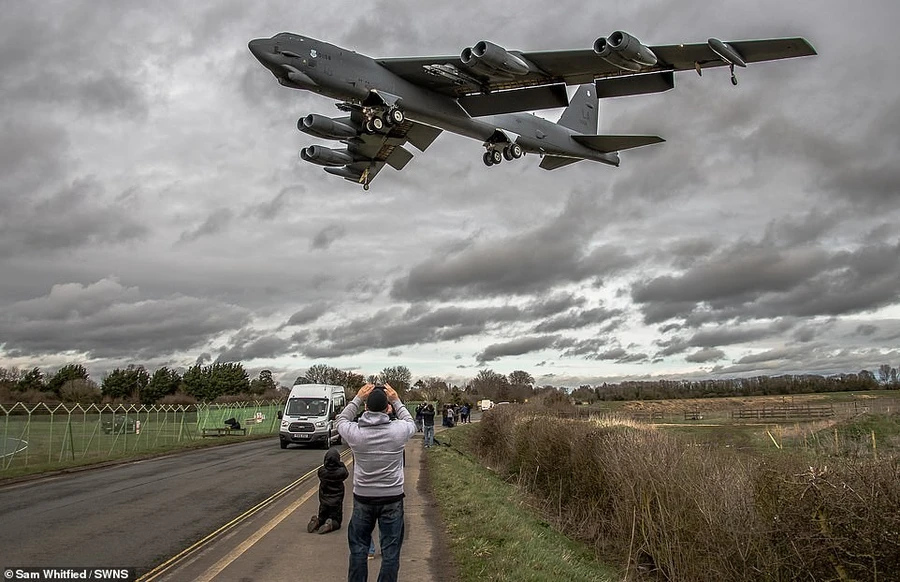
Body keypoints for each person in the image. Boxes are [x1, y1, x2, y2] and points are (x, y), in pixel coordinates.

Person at [336, 383, 416, 582]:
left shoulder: (356, 433)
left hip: (363, 497)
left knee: (358, 549)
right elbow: (410, 422)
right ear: (387, 409)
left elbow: (341, 420)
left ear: (366, 408)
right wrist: (396, 399)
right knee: (391, 553)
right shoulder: (398, 431)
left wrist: (358, 398)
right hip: (392, 497)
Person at [307, 447, 349, 534]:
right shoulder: (341, 472)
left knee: (322, 516)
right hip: (336, 503)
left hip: (324, 502)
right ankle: (330, 524)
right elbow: (346, 472)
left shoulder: (322, 472)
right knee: (337, 521)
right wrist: (340, 463)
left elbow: (322, 467)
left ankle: (318, 521)